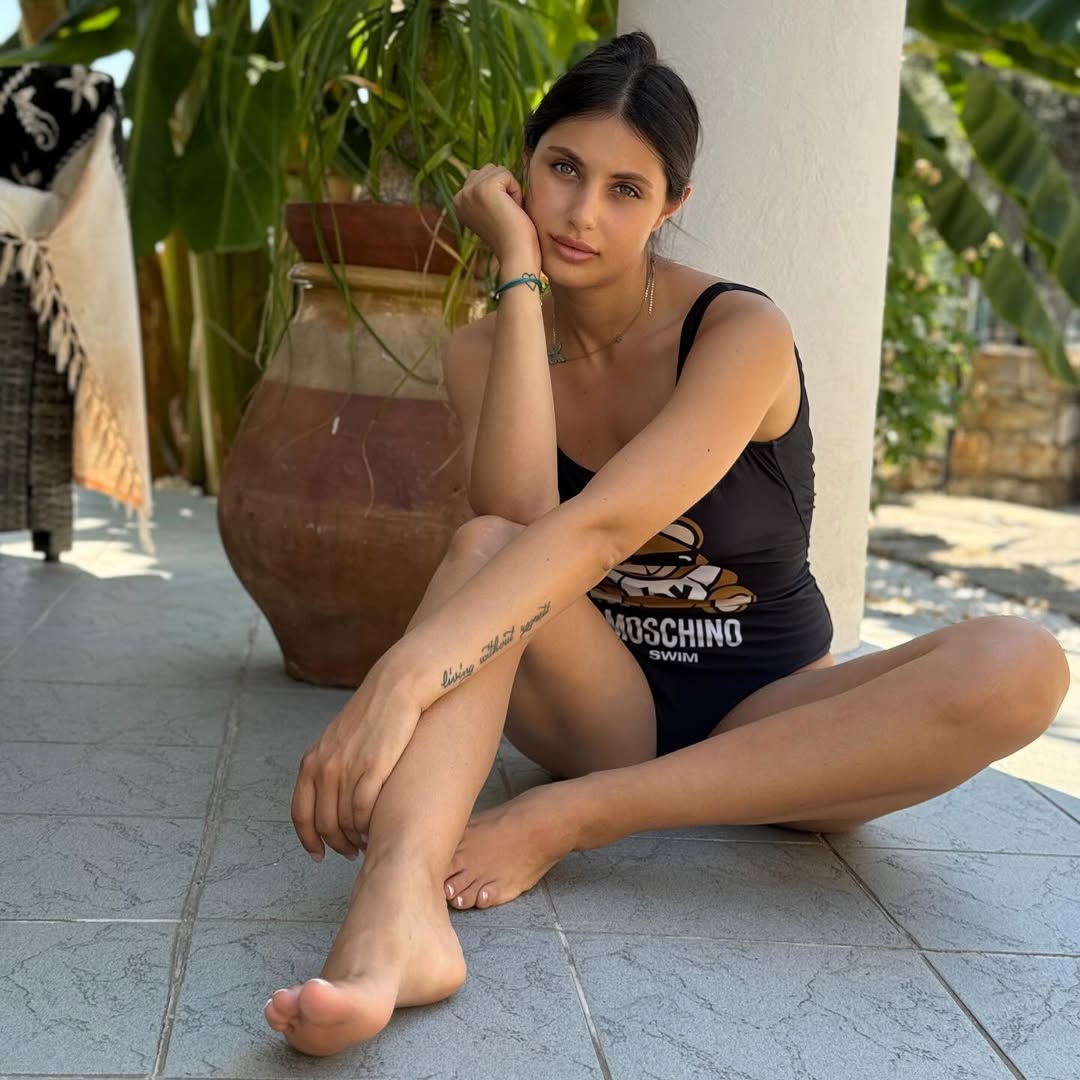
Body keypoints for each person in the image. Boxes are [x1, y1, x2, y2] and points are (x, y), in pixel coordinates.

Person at [262, 31, 1070, 1058]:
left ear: (671, 204)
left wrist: (402, 680)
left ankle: (578, 818)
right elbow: (522, 525)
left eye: (626, 190)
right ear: (522, 168)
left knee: (1023, 663)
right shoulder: (483, 350)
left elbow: (602, 527)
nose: (582, 214)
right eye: (562, 170)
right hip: (604, 707)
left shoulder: (739, 332)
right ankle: (395, 926)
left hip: (774, 719)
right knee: (489, 544)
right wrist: (517, 278)